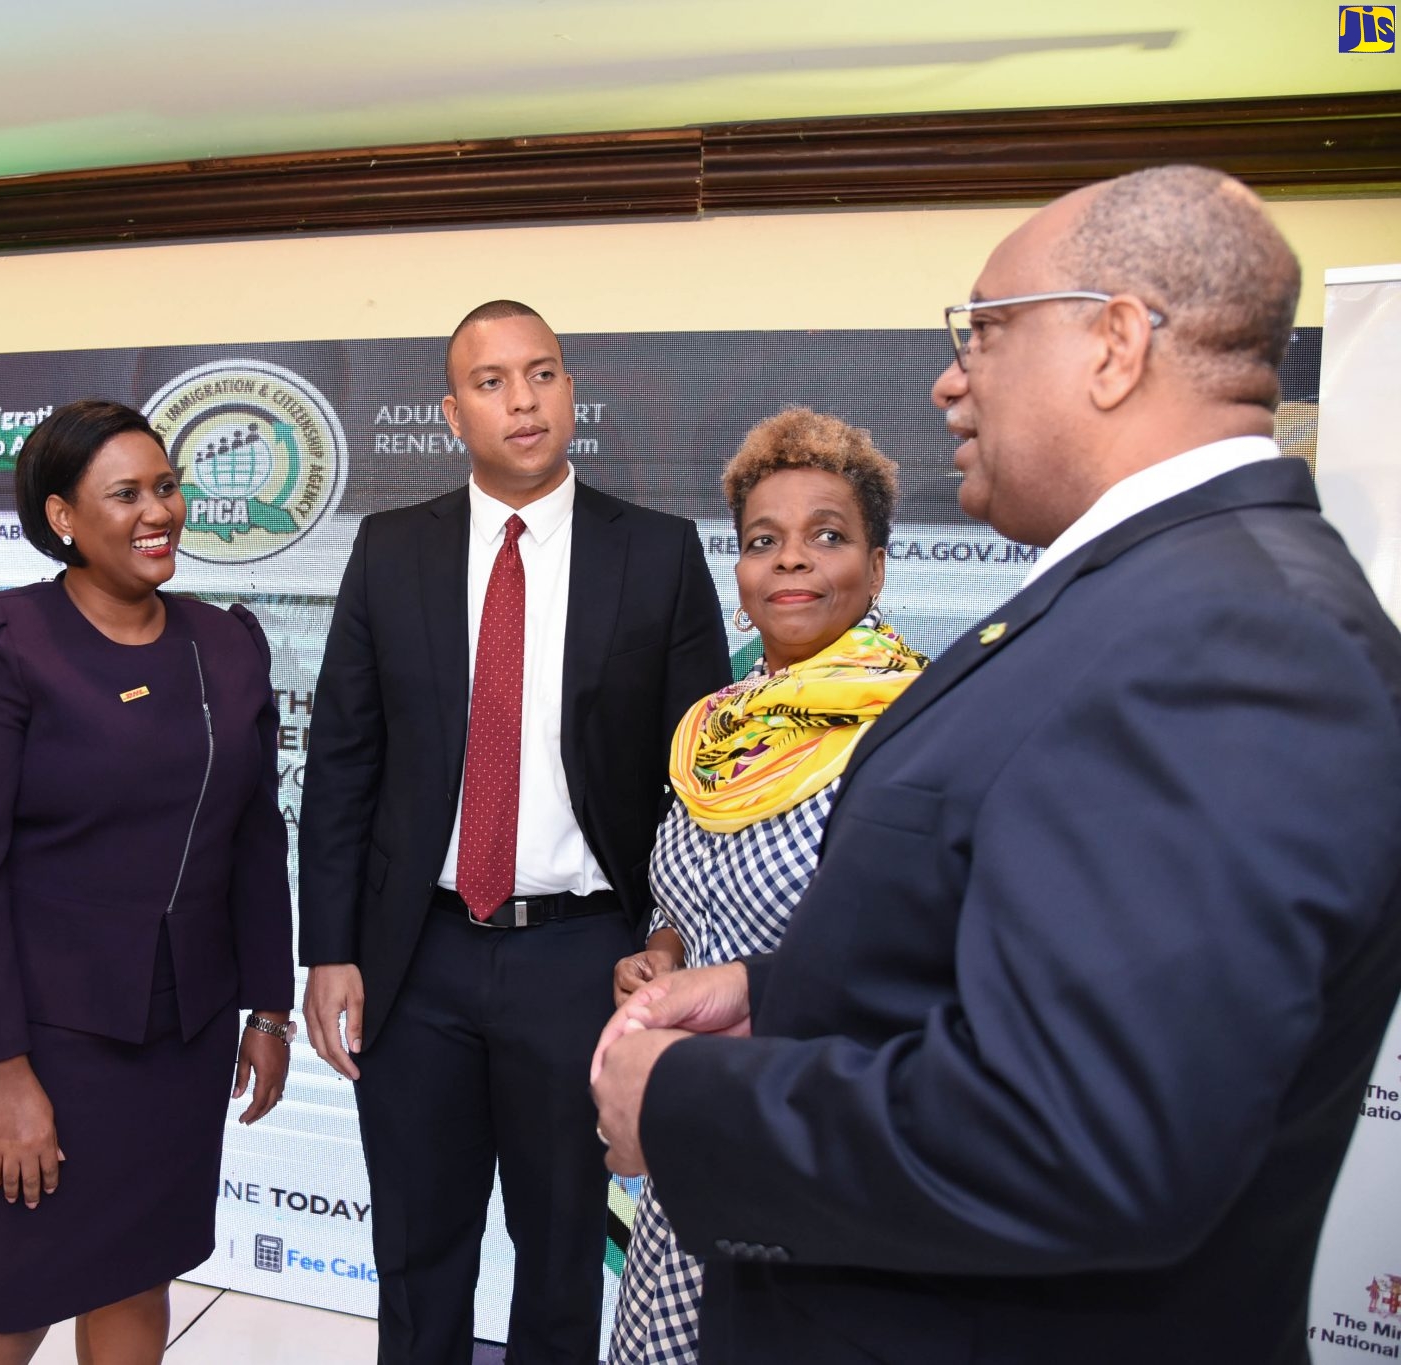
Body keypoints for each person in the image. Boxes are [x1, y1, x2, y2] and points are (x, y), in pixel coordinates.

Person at [591, 164, 1401, 1365]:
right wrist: (773, 992)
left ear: (1114, 344)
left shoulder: (1231, 640)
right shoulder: (1139, 601)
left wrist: (681, 1102)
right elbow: (1033, 957)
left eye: (982, 329)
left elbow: (1082, 1139)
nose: (947, 378)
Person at [300, 300, 727, 1365]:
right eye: (490, 382)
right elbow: (344, 759)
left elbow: (703, 782)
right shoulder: (391, 549)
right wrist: (329, 948)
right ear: (451, 414)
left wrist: (673, 941)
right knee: (416, 1240)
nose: (522, 399)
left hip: (585, 955)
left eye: (541, 373)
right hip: (417, 953)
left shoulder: (660, 555)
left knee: (559, 1247)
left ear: (569, 390)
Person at [0, 398, 294, 1365]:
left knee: (135, 1274)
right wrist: (2, 1077)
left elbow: (254, 835)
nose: (157, 509)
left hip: (180, 1039)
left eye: (166, 486)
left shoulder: (227, 643)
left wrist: (268, 1009)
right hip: (35, 1045)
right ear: (64, 517)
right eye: (125, 493)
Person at [606, 407, 926, 1365]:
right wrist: (662, 952)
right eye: (763, 541)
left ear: (875, 568)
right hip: (693, 1129)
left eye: (828, 536)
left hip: (814, 1138)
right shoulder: (712, 729)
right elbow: (682, 893)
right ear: (739, 578)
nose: (791, 560)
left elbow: (913, 961)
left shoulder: (914, 730)